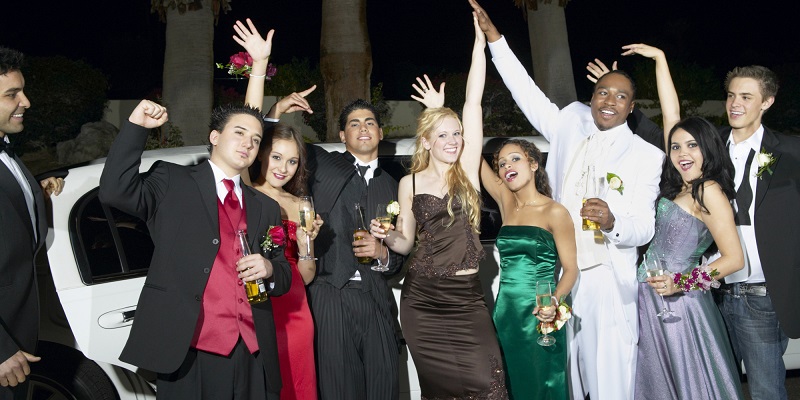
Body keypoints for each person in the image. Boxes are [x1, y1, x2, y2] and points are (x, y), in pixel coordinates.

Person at [468, 1, 664, 399]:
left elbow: (644, 225)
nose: (608, 101)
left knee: (609, 383)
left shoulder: (646, 155)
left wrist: (612, 222)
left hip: (604, 278)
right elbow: (525, 90)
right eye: (602, 92)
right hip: (554, 279)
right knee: (559, 380)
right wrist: (495, 40)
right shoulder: (570, 120)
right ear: (592, 95)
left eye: (620, 96)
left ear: (631, 106)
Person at [590, 53, 800, 400]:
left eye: (745, 97)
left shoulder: (786, 153)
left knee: (761, 390)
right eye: (730, 95)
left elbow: (735, 255)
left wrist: (683, 282)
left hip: (754, 295)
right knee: (710, 380)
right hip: (709, 296)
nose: (734, 103)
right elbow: (674, 123)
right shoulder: (705, 151)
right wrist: (645, 73)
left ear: (767, 102)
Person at [99, 100, 291, 399]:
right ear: (215, 137)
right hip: (191, 349)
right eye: (239, 133)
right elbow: (114, 190)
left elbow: (283, 271)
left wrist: (270, 269)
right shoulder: (171, 181)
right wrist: (136, 127)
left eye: (255, 140)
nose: (248, 144)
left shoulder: (266, 207)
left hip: (254, 351)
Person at [372, 13, 508, 399]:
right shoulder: (409, 182)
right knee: (439, 390)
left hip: (467, 300)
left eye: (458, 134)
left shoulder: (466, 168)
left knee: (489, 385)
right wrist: (389, 236)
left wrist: (479, 45)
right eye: (443, 134)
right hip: (422, 300)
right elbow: (405, 244)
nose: (453, 140)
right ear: (427, 141)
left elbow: (474, 100)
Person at [235, 19, 322, 399]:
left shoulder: (302, 204)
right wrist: (271, 104)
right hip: (254, 310)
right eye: (275, 157)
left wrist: (306, 244)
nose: (282, 168)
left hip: (295, 312)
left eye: (291, 161)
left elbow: (304, 276)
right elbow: (245, 127)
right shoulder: (247, 192)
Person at [480, 138, 578, 399]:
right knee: (509, 386)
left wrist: (554, 302)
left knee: (542, 384)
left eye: (515, 159)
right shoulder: (506, 201)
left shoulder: (555, 211)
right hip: (505, 313)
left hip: (541, 314)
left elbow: (571, 269)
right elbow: (468, 154)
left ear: (534, 164)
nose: (506, 166)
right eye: (501, 163)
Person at [0, 46, 64, 399]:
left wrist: (35, 193)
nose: (25, 101)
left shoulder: (9, 153)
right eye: (12, 94)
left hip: (18, 338)